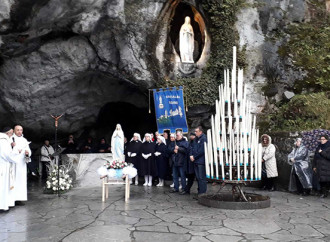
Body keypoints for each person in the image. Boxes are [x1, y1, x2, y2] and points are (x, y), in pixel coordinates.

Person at [12, 125, 31, 204]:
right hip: (13, 164)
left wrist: (27, 153)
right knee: (13, 181)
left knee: (21, 181)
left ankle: (19, 199)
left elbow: (28, 150)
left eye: (21, 130)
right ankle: (12, 199)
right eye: (18, 130)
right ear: (14, 131)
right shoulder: (11, 139)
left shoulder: (24, 140)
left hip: (22, 164)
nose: (20, 132)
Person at [0, 127, 17, 211]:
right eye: (11, 133)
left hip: (4, 165)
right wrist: (16, 155)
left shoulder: (4, 140)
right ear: (7, 133)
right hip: (3, 167)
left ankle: (4, 205)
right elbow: (7, 155)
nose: (12, 135)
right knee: (2, 186)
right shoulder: (3, 140)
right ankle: (2, 206)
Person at [190, 126, 207, 195]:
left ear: (200, 132)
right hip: (196, 160)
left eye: (196, 131)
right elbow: (192, 147)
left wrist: (194, 157)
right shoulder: (196, 139)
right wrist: (191, 155)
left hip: (200, 161)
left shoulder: (204, 138)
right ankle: (199, 191)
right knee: (198, 178)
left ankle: (202, 193)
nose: (195, 133)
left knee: (201, 177)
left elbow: (202, 150)